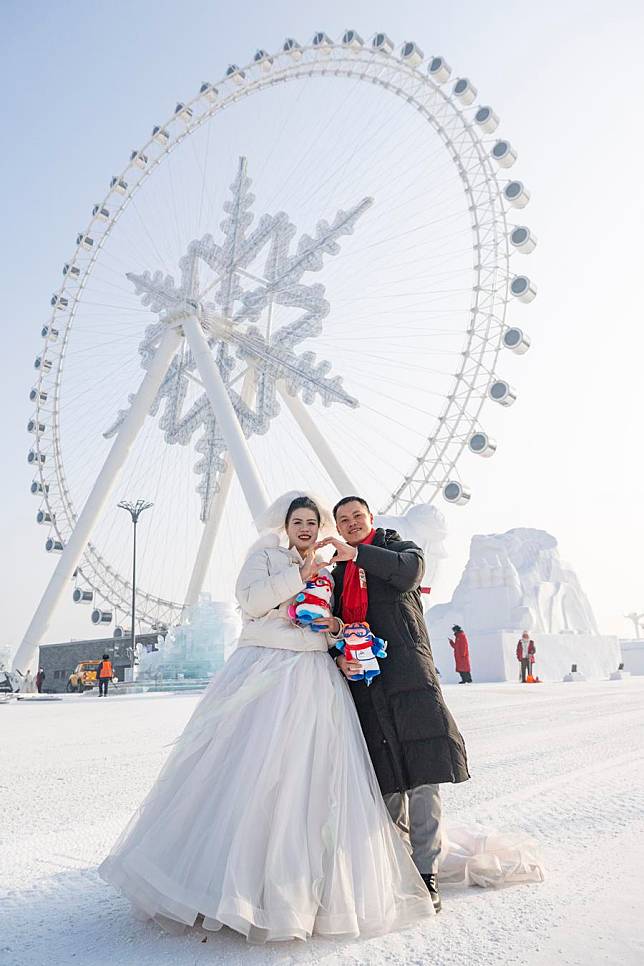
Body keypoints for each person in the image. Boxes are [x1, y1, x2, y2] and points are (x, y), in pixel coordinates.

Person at [99, 493, 434, 942]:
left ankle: (299, 892)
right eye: (298, 521)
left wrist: (335, 629)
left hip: (316, 675)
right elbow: (251, 601)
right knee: (251, 775)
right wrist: (300, 576)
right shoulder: (265, 556)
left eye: (312, 523)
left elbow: (333, 616)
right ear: (286, 524)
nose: (305, 529)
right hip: (268, 671)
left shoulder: (331, 569)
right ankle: (229, 882)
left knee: (311, 784)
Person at [315, 496, 470, 914]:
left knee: (423, 774)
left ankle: (426, 871)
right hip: (366, 683)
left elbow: (410, 574)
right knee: (386, 779)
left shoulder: (399, 550)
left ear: (370, 519)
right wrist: (337, 655)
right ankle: (399, 865)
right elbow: (329, 628)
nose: (349, 524)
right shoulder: (334, 576)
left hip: (408, 675)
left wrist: (360, 554)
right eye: (342, 520)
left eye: (356, 517)